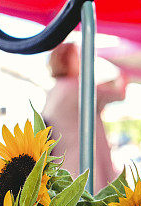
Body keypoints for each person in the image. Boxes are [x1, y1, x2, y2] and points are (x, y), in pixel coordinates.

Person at [43, 42, 126, 193]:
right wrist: (124, 69)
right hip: (85, 169)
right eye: (77, 56)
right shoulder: (79, 88)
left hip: (64, 170)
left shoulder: (53, 92)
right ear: (68, 60)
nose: (81, 60)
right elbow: (118, 93)